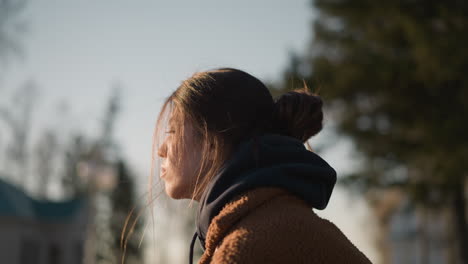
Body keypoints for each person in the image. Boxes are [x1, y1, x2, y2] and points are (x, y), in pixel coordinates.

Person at [154, 68, 372, 264]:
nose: (160, 149)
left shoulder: (245, 247)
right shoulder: (281, 222)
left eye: (172, 131)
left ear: (211, 143)